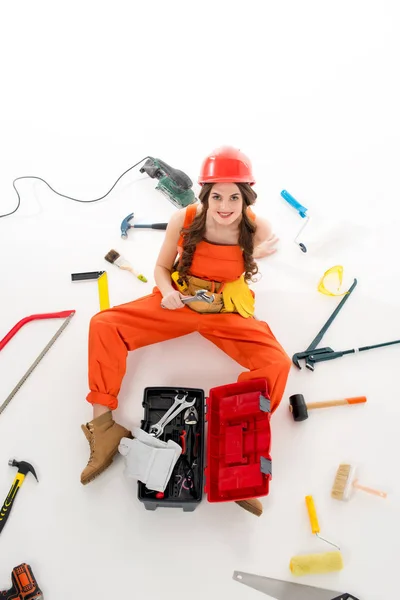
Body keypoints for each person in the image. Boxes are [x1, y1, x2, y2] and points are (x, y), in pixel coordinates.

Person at [80, 146, 291, 516]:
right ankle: (104, 429)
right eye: (217, 196)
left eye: (234, 197)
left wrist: (256, 257)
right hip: (180, 300)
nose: (225, 205)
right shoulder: (185, 218)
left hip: (225, 308)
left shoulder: (257, 228)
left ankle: (234, 455)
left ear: (246, 198)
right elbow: (161, 267)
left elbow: (248, 264)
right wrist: (167, 292)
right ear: (205, 194)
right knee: (105, 324)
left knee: (276, 363)